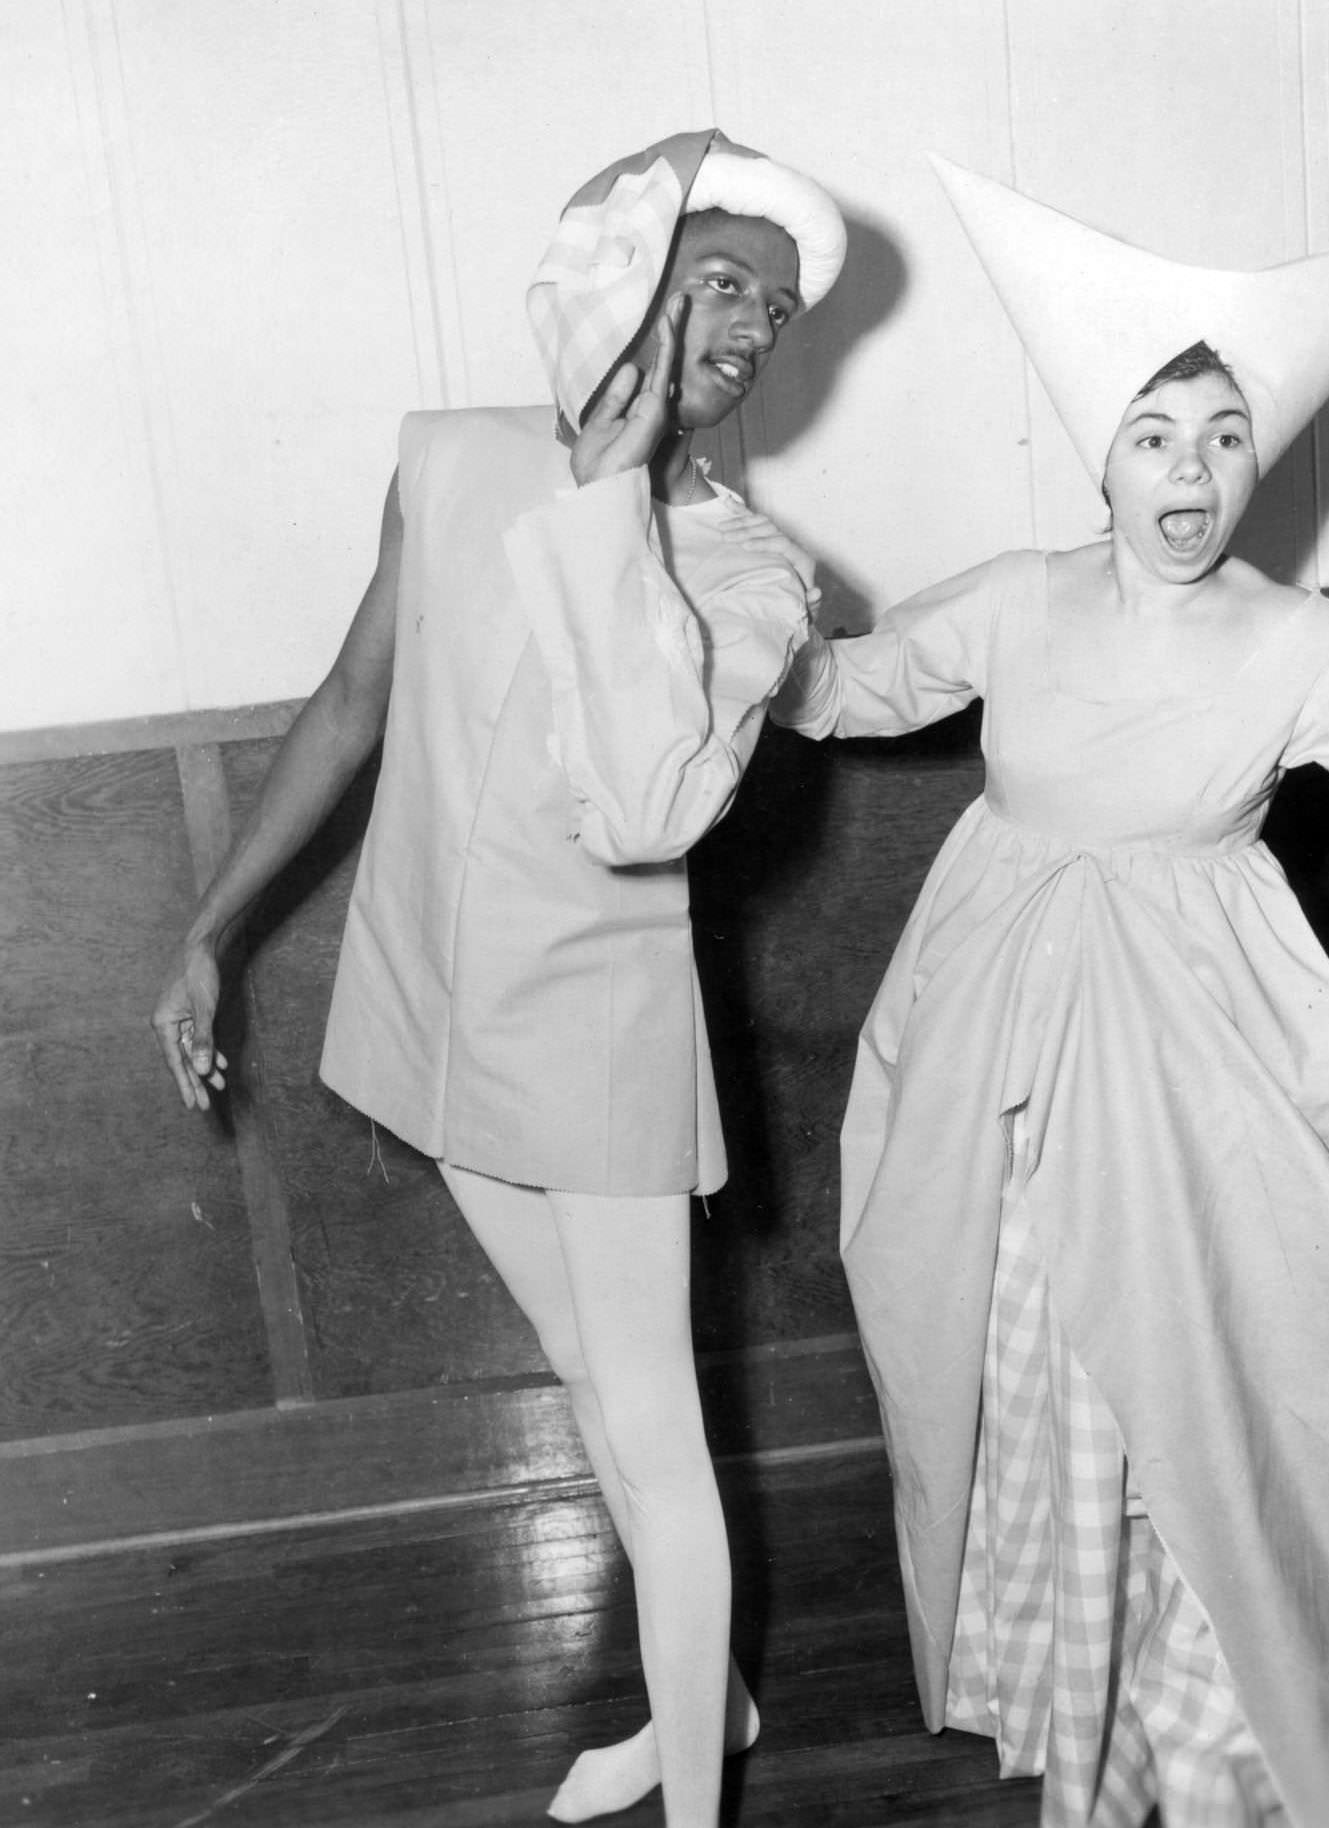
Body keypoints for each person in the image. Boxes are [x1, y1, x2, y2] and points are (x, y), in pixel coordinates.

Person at [151, 129, 845, 1828]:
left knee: (658, 1430)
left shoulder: (754, 576)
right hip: (429, 1003)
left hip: (598, 1041)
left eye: (779, 303)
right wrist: (212, 927)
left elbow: (652, 803)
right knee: (596, 1390)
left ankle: (698, 1801)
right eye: (723, 281)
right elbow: (349, 704)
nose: (757, 324)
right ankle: (719, 1706)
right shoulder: (450, 461)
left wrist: (615, 507)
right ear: (622, 276)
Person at [771, 160, 1329, 1828]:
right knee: (1030, 1351)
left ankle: (1203, 1719)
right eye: (1157, 435)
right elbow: (847, 690)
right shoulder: (1018, 595)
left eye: (1224, 436)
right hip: (994, 1023)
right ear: (1101, 453)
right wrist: (723, 599)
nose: (1193, 475)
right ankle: (1058, 1685)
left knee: (1211, 1355)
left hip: (1202, 1055)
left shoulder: (1299, 646)